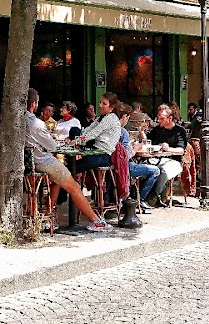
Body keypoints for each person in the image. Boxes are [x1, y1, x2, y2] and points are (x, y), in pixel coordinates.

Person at [25, 88, 111, 232]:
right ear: (34, 104)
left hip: (29, 165)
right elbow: (52, 147)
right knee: (74, 187)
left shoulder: (15, 121)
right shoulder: (36, 124)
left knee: (57, 183)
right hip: (43, 162)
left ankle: (48, 216)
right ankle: (96, 221)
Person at [139, 104, 187, 206]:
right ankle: (140, 196)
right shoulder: (157, 129)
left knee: (163, 170)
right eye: (158, 118)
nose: (159, 121)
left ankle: (154, 196)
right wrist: (142, 132)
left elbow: (181, 150)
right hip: (155, 158)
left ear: (170, 118)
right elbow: (147, 142)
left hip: (174, 160)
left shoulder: (179, 130)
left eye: (162, 118)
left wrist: (169, 149)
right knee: (143, 167)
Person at [115, 103, 161, 211]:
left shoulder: (109, 130)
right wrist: (135, 149)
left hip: (111, 167)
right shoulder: (123, 132)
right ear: (125, 117)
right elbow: (126, 156)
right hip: (123, 168)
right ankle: (139, 200)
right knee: (156, 171)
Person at [75, 92, 121, 174]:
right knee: (75, 130)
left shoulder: (111, 118)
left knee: (73, 167)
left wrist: (77, 141)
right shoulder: (101, 117)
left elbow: (94, 133)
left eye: (104, 104)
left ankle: (70, 184)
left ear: (111, 107)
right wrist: (79, 138)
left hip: (103, 155)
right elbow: (89, 129)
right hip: (94, 151)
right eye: (100, 102)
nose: (100, 105)